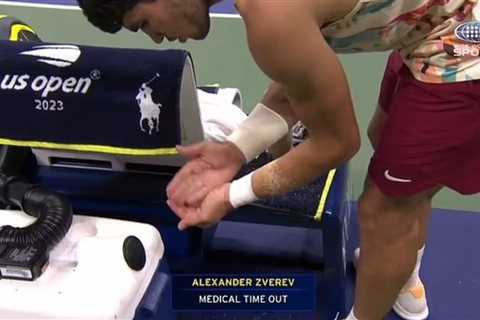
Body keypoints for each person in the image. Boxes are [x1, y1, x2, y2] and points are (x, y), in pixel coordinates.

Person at [78, 0, 480, 319]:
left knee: (383, 209)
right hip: (425, 22)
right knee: (397, 156)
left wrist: (230, 196)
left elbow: (337, 144)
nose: (157, 38)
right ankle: (401, 273)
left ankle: (380, 292)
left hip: (461, 47)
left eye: (144, 23)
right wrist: (235, 151)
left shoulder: (270, 12)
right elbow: (296, 84)